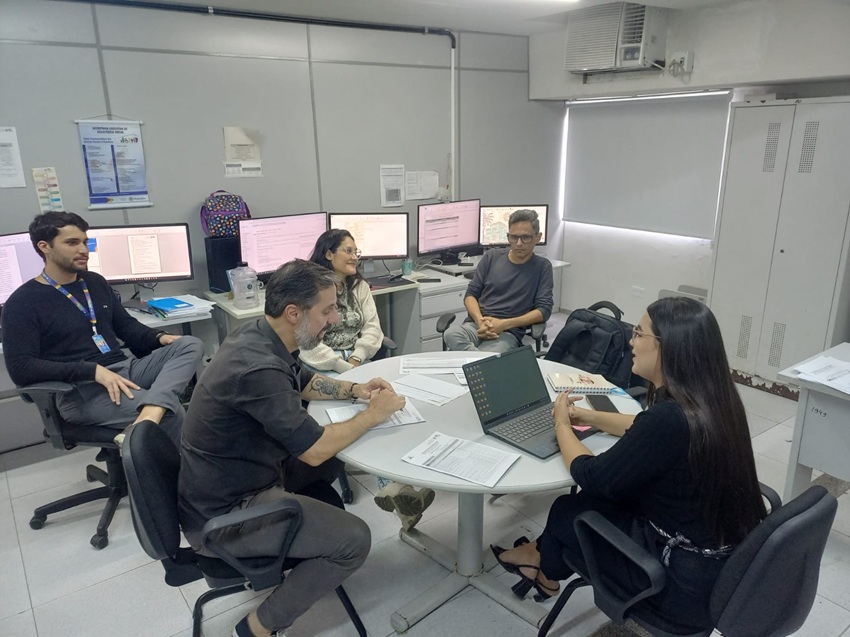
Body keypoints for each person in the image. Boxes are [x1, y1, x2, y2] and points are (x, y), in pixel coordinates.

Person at [491, 297, 766, 632]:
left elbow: (591, 475)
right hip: (723, 565)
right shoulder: (714, 399)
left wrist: (561, 422)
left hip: (680, 587)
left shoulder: (669, 419)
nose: (631, 343)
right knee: (601, 499)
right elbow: (643, 427)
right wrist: (587, 415)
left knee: (569, 508)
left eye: (638, 334)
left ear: (667, 347)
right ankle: (540, 563)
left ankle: (541, 566)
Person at [178, 259, 407, 637]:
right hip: (226, 514)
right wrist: (372, 415)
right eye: (327, 310)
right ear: (293, 312)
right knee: (355, 539)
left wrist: (356, 390)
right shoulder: (258, 368)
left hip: (236, 478)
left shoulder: (260, 336)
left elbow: (302, 380)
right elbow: (313, 449)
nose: (335, 319)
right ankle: (258, 626)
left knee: (335, 458)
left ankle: (310, 549)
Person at [1, 211, 204, 449]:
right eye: (72, 243)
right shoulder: (22, 302)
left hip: (124, 370)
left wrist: (160, 337)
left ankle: (150, 411)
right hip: (82, 392)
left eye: (85, 242)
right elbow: (22, 368)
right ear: (44, 247)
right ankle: (174, 463)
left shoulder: (94, 282)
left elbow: (126, 326)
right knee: (172, 413)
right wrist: (92, 370)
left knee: (190, 344)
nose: (83, 250)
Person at [305, 229, 435, 530]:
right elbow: (309, 345)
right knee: (368, 412)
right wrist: (343, 366)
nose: (355, 257)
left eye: (356, 251)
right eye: (348, 251)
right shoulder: (311, 289)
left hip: (358, 361)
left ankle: (401, 486)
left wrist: (357, 359)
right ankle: (396, 489)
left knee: (390, 405)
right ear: (329, 254)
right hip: (325, 365)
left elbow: (374, 330)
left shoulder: (359, 286)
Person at [443, 208, 553, 353]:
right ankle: (481, 360)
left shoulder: (542, 267)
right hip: (477, 325)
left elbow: (543, 311)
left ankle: (477, 360)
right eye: (513, 237)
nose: (518, 243)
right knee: (450, 334)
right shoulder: (491, 257)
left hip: (507, 331)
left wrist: (503, 324)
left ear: (538, 237)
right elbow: (471, 295)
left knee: (489, 354)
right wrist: (480, 321)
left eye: (525, 237)